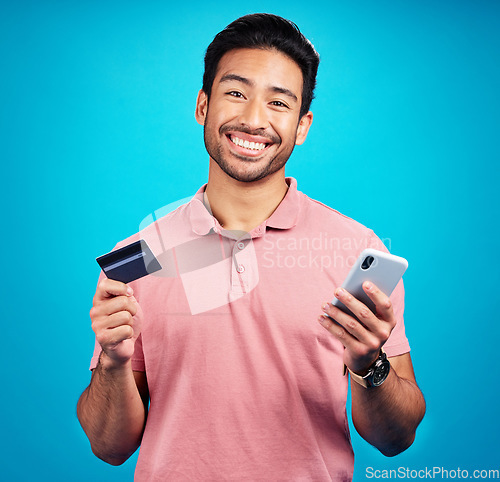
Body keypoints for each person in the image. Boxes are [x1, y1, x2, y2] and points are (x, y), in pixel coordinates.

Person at [77, 13, 425, 481]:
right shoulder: (136, 256)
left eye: (279, 103)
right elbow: (108, 446)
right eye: (236, 93)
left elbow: (397, 438)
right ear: (203, 105)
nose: (253, 119)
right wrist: (115, 365)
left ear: (303, 126)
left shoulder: (356, 251)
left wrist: (369, 364)